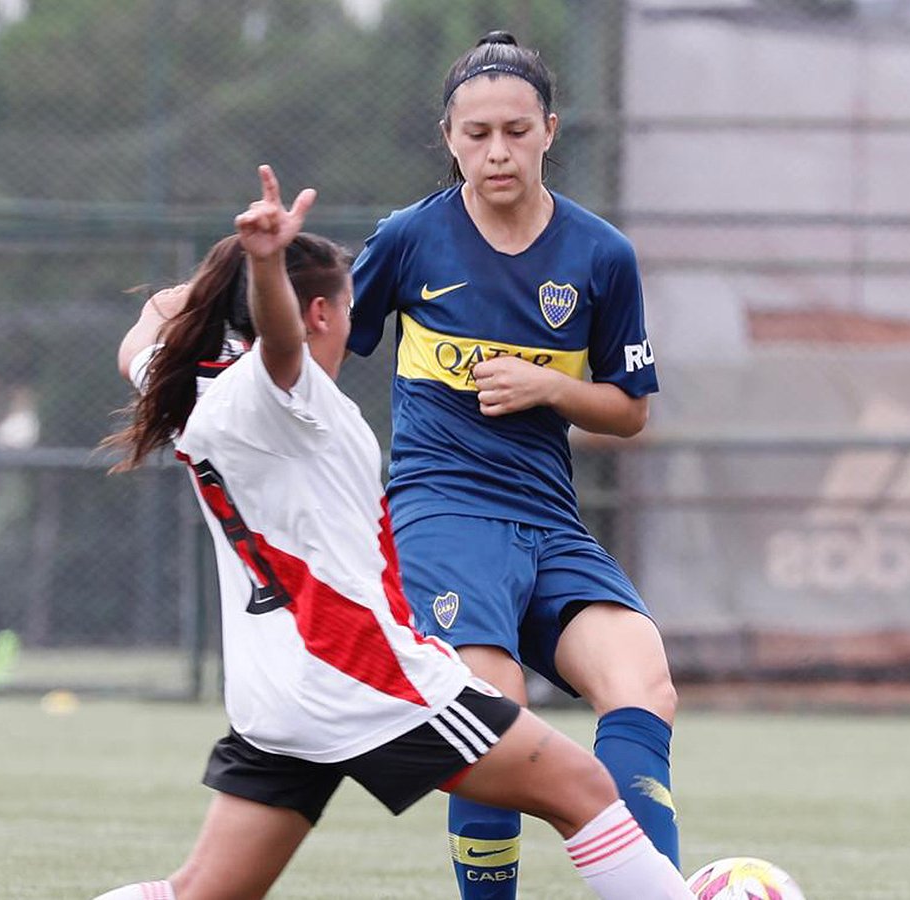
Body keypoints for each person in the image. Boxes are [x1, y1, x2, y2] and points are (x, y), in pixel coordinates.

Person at [93, 165, 692, 900]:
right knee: (584, 792)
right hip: (365, 677)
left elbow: (148, 328)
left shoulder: (193, 391)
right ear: (317, 315)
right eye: (345, 303)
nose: (357, 316)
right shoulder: (288, 393)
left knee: (199, 894)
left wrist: (230, 275)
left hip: (275, 695)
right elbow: (281, 343)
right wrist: (261, 265)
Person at [346, 31, 681, 896]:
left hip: (549, 519)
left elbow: (630, 409)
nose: (498, 151)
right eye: (478, 133)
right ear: (450, 138)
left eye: (516, 131)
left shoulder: (601, 255)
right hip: (441, 509)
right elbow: (321, 343)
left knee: (642, 680)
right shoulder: (410, 239)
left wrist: (549, 387)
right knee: (490, 715)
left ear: (550, 131)